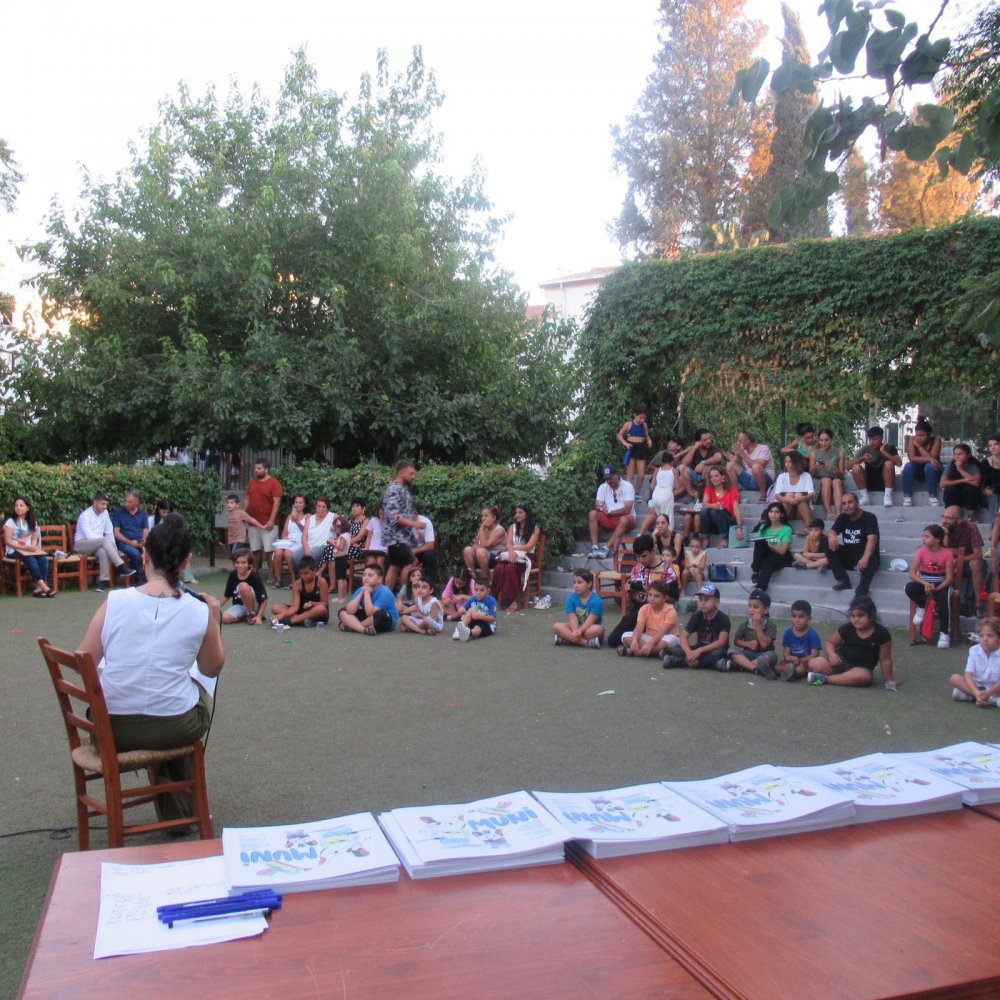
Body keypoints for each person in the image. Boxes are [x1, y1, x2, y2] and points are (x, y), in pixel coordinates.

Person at [77, 513, 225, 819]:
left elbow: (83, 659)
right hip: (174, 726)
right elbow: (211, 669)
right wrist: (213, 619)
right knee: (194, 690)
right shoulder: (198, 610)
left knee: (171, 689)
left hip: (111, 728)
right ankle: (181, 811)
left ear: (145, 556)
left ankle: (178, 810)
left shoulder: (115, 602)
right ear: (187, 562)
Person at [806, 595, 896, 689]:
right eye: (853, 616)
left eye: (860, 616)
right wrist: (832, 654)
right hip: (839, 662)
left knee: (864, 677)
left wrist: (889, 680)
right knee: (814, 663)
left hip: (860, 669)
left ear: (871, 616)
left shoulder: (881, 633)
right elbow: (830, 643)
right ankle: (841, 677)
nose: (856, 619)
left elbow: (885, 659)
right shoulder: (848, 628)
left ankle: (824, 679)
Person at [606, 533, 678, 648]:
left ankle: (647, 645)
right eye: (638, 557)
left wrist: (650, 593)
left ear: (653, 551)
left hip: (659, 613)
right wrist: (628, 590)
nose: (641, 559)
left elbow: (674, 598)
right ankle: (651, 646)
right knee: (614, 640)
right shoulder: (637, 568)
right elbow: (631, 600)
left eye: (644, 556)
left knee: (622, 635)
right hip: (639, 612)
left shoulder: (667, 569)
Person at [74, 492, 136, 592]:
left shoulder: (105, 513)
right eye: (102, 504)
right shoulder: (85, 515)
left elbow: (109, 531)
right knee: (104, 541)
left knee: (103, 551)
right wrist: (107, 542)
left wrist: (113, 545)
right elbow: (89, 536)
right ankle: (121, 566)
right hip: (81, 544)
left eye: (106, 504)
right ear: (95, 502)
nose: (105, 507)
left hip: (98, 544)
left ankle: (103, 582)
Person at [905, 524, 955, 649]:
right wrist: (924, 584)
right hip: (925, 584)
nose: (924, 539)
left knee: (944, 599)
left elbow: (949, 578)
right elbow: (912, 574)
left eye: (927, 537)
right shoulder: (921, 551)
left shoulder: (947, 554)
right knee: (910, 587)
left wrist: (937, 588)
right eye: (924, 536)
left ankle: (944, 633)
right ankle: (921, 606)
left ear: (937, 539)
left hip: (941, 585)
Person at [662, 583, 731, 670]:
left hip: (713, 649)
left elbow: (722, 642)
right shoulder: (697, 615)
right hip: (699, 648)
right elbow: (683, 636)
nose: (702, 603)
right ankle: (715, 665)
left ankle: (676, 661)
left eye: (706, 600)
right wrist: (689, 653)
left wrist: (699, 651)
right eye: (700, 600)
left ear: (717, 602)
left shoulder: (723, 618)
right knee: (675, 649)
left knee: (718, 653)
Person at [827, 492, 880, 595]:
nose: (847, 506)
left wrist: (865, 557)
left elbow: (872, 539)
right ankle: (843, 580)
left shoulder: (869, 517)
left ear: (857, 503)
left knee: (870, 558)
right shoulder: (843, 517)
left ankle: (861, 592)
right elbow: (831, 531)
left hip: (866, 556)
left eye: (850, 502)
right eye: (844, 503)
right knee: (827, 542)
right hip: (850, 556)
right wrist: (831, 536)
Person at [491, 502, 540, 611]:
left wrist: (514, 548)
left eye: (520, 512)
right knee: (499, 568)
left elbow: (528, 546)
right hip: (511, 555)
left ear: (527, 514)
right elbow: (508, 543)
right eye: (516, 513)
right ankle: (494, 600)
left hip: (526, 557)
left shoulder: (535, 529)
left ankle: (515, 600)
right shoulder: (512, 527)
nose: (517, 515)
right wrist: (511, 551)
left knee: (510, 568)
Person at [382, 460, 422, 592]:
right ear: (401, 473)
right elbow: (395, 516)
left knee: (396, 565)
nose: (413, 477)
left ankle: (391, 595)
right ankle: (400, 595)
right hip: (395, 537)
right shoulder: (393, 490)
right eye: (411, 474)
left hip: (403, 537)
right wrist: (415, 524)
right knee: (408, 563)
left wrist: (415, 526)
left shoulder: (403, 489)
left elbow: (408, 511)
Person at [4, 496, 55, 596]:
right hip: (13, 550)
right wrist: (25, 548)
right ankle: (44, 587)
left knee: (43, 560)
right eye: (16, 506)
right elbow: (8, 541)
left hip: (28, 550)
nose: (18, 508)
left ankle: (38, 589)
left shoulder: (32, 522)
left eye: (21, 505)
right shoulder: (10, 522)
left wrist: (33, 546)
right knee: (31, 560)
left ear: (27, 508)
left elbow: (34, 538)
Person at [942, 504, 987, 617]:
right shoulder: (942, 528)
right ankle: (944, 604)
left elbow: (978, 554)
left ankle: (978, 605)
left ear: (959, 520)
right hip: (949, 562)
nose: (944, 520)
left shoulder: (971, 527)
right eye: (943, 516)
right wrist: (945, 534)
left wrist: (959, 561)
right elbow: (941, 553)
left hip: (967, 561)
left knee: (975, 564)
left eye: (948, 518)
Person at [616, 579, 680, 657]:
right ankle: (656, 653)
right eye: (650, 595)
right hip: (650, 636)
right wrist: (635, 640)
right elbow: (639, 627)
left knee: (670, 639)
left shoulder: (670, 611)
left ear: (665, 598)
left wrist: (650, 644)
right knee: (625, 635)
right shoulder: (644, 608)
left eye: (657, 596)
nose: (652, 599)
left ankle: (636, 653)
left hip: (665, 637)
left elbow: (662, 632)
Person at [243, 459, 283, 579]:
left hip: (267, 523)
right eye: (256, 468)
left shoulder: (274, 483)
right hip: (252, 522)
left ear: (266, 469)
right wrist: (243, 514)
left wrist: (271, 520)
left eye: (259, 468)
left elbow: (276, 503)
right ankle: (255, 572)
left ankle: (271, 574)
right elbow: (247, 499)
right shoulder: (252, 482)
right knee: (255, 549)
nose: (256, 470)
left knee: (269, 550)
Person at [727, 590, 779, 678]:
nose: (751, 609)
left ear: (766, 610)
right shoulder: (745, 624)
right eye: (750, 606)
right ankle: (755, 668)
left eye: (755, 607)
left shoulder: (771, 626)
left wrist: (757, 625)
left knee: (771, 656)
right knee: (732, 650)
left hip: (763, 654)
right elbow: (736, 641)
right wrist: (747, 644)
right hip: (748, 653)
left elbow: (764, 644)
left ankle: (742, 666)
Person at [950, 617, 1000, 706]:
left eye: (990, 636)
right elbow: (968, 674)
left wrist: (988, 693)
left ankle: (973, 696)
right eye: (981, 636)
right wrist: (977, 693)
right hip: (978, 686)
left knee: (957, 693)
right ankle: (986, 699)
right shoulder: (974, 650)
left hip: (996, 688)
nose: (985, 639)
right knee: (955, 678)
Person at [587, 466, 635, 558]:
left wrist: (611, 512)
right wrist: (603, 509)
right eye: (607, 479)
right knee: (592, 514)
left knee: (625, 519)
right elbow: (598, 505)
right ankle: (594, 547)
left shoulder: (627, 486)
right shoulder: (603, 486)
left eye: (611, 478)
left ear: (617, 475)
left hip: (624, 518)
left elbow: (627, 509)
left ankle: (606, 548)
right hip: (608, 516)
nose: (609, 481)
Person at [270, 555, 329, 629]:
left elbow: (324, 603)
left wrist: (312, 604)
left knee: (321, 609)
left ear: (314, 571)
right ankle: (303, 621)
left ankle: (291, 621)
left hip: (316, 612)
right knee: (275, 607)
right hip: (300, 610)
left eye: (306, 573)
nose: (303, 576)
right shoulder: (297, 584)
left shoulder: (321, 582)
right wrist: (282, 615)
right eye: (301, 574)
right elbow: (295, 607)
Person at [338, 562, 398, 634]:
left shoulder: (385, 592)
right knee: (343, 611)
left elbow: (370, 613)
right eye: (364, 575)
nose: (366, 578)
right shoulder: (361, 589)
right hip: (368, 618)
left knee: (379, 615)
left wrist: (367, 593)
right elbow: (349, 610)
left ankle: (352, 626)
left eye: (370, 575)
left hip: (385, 619)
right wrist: (361, 593)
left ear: (379, 579)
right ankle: (363, 629)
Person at [849, 426, 901, 507]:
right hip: (869, 480)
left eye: (874, 439)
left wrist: (884, 452)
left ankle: (887, 496)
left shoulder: (890, 448)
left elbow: (899, 463)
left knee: (888, 463)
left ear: (881, 438)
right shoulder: (865, 449)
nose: (872, 442)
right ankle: (865, 497)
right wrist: (862, 458)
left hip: (885, 480)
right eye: (870, 439)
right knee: (855, 467)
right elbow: (848, 466)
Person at [552, 568, 604, 648]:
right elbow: (572, 619)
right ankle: (586, 643)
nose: (576, 585)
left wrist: (580, 631)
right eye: (574, 582)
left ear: (589, 584)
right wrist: (575, 631)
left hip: (588, 628)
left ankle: (566, 639)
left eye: (579, 582)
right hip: (575, 627)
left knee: (598, 630)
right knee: (556, 627)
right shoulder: (570, 599)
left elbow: (590, 621)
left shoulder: (597, 601)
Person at [749, 502, 793, 592]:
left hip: (782, 555)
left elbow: (782, 551)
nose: (773, 514)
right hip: (767, 553)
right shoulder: (763, 527)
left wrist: (768, 544)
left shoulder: (787, 529)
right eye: (771, 511)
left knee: (767, 562)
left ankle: (760, 589)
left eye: (777, 512)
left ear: (782, 514)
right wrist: (765, 543)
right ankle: (756, 571)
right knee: (759, 543)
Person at [695, 466, 744, 546]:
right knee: (704, 511)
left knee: (715, 512)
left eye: (716, 476)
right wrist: (714, 505)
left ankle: (725, 538)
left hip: (728, 521)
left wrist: (739, 527)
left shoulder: (732, 490)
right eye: (711, 477)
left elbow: (736, 510)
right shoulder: (709, 489)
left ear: (723, 477)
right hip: (714, 522)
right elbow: (704, 504)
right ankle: (705, 538)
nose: (713, 478)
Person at [220, 546, 268, 625]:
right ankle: (245, 616)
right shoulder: (232, 575)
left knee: (243, 586)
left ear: (249, 563)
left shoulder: (254, 576)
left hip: (254, 606)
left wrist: (259, 616)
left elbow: (264, 600)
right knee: (225, 618)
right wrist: (214, 608)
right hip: (240, 605)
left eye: (243, 562)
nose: (240, 565)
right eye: (237, 562)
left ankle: (252, 615)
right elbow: (226, 595)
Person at [901, 417, 943, 507]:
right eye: (917, 435)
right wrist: (929, 459)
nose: (918, 438)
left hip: (934, 469)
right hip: (917, 468)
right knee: (908, 466)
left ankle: (933, 496)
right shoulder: (912, 440)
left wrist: (919, 447)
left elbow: (933, 458)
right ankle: (907, 496)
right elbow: (912, 458)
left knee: (929, 466)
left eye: (922, 435)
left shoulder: (936, 440)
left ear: (929, 434)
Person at [726, 430, 775, 503]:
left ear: (747, 441)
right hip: (749, 481)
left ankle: (763, 496)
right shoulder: (744, 451)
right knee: (730, 465)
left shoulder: (763, 448)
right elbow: (742, 469)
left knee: (756, 467)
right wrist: (734, 461)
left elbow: (759, 465)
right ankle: (735, 497)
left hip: (765, 482)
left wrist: (743, 455)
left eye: (740, 440)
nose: (737, 443)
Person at [778, 600, 822, 681]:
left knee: (801, 669)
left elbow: (814, 654)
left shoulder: (813, 634)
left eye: (801, 617)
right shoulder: (788, 633)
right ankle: (771, 670)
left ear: (809, 619)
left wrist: (802, 660)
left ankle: (792, 674)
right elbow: (786, 652)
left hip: (805, 662)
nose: (797, 620)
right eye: (794, 616)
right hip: (791, 662)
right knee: (781, 666)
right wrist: (789, 657)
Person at [112, 491, 149, 584]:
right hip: (124, 542)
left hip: (139, 542)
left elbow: (145, 530)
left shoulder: (143, 514)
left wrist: (144, 540)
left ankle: (153, 577)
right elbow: (116, 533)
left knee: (155, 550)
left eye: (130, 502)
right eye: (126, 501)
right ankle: (138, 578)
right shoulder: (119, 512)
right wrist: (131, 543)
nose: (126, 504)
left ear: (137, 502)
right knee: (135, 553)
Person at [809, 429, 846, 521]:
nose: (824, 443)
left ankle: (838, 513)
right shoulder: (814, 453)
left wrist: (834, 469)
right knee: (826, 480)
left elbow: (842, 474)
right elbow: (811, 473)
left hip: (835, 479)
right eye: (821, 440)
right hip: (820, 480)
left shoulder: (839, 452)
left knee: (836, 481)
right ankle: (828, 513)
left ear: (831, 439)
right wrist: (816, 467)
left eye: (826, 440)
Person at [271, 493, 307, 585]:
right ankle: (278, 579)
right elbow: (284, 532)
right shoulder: (289, 516)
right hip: (289, 541)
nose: (298, 504)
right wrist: (285, 538)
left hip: (300, 541)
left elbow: (306, 532)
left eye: (300, 503)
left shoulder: (307, 517)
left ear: (305, 505)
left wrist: (297, 521)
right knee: (278, 552)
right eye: (296, 502)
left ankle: (293, 579)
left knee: (287, 553)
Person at [679, 429, 724, 501]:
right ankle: (692, 494)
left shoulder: (714, 449)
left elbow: (718, 457)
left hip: (710, 479)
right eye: (705, 440)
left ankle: (703, 494)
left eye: (709, 438)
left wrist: (703, 463)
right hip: (696, 477)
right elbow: (684, 463)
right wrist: (694, 448)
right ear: (698, 442)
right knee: (682, 467)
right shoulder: (695, 449)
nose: (708, 441)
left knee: (708, 468)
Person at [774, 451, 815, 526]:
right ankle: (780, 526)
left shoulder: (806, 476)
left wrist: (801, 498)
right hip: (787, 508)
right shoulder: (782, 476)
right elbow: (777, 496)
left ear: (797, 462)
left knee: (798, 495)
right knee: (789, 495)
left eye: (789, 462)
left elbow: (811, 494)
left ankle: (808, 527)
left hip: (801, 510)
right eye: (786, 462)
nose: (787, 464)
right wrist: (789, 500)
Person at [463, 505, 506, 577]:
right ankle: (473, 577)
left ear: (494, 518)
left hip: (496, 558)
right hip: (481, 557)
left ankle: (485, 579)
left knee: (481, 552)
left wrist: (482, 528)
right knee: (467, 550)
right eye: (482, 516)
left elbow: (485, 545)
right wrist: (477, 547)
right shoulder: (483, 528)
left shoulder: (499, 530)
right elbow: (475, 545)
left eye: (486, 516)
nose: (483, 518)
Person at [616, 408, 653, 491]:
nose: (642, 420)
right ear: (635, 415)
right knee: (630, 475)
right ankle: (627, 492)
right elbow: (619, 435)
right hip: (631, 448)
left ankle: (637, 492)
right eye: (640, 418)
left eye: (644, 418)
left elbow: (647, 436)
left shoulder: (644, 425)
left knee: (641, 475)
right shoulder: (628, 424)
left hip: (641, 448)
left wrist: (649, 441)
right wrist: (625, 444)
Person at [940, 443, 982, 516]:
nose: (957, 456)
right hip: (955, 495)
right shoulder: (951, 465)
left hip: (969, 497)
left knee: (970, 489)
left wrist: (960, 469)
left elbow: (976, 482)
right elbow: (942, 484)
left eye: (960, 454)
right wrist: (963, 480)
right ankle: (951, 514)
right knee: (950, 490)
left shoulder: (974, 466)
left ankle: (971, 515)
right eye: (955, 454)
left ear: (968, 455)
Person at [639, 451, 676, 533]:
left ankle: (656, 533)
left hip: (656, 493)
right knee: (667, 518)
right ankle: (667, 533)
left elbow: (652, 486)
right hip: (666, 493)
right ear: (672, 461)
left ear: (662, 461)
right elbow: (678, 485)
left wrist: (650, 501)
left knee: (659, 518)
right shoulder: (674, 470)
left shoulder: (657, 470)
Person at [452, 576, 498, 641]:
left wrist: (479, 616)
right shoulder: (472, 599)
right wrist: (462, 611)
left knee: (478, 628)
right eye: (476, 590)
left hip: (487, 625)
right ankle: (458, 631)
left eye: (481, 590)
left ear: (488, 591)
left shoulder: (492, 601)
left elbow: (492, 619)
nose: (478, 592)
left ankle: (469, 633)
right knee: (471, 610)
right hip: (474, 621)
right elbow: (464, 612)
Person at [413, 512, 438, 585]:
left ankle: (429, 584)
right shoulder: (403, 522)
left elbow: (430, 545)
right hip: (407, 550)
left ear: (416, 513)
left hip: (421, 550)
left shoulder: (425, 521)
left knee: (430, 556)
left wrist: (414, 551)